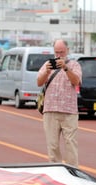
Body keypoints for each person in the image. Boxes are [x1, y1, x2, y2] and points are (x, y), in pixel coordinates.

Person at [36, 39, 82, 167]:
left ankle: (73, 173)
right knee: (52, 145)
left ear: (67, 50)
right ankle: (56, 172)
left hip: (69, 111)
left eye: (61, 52)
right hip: (50, 110)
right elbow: (39, 82)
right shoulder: (47, 64)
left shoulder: (74, 65)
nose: (59, 55)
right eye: (56, 52)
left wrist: (66, 68)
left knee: (71, 144)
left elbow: (76, 81)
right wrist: (47, 72)